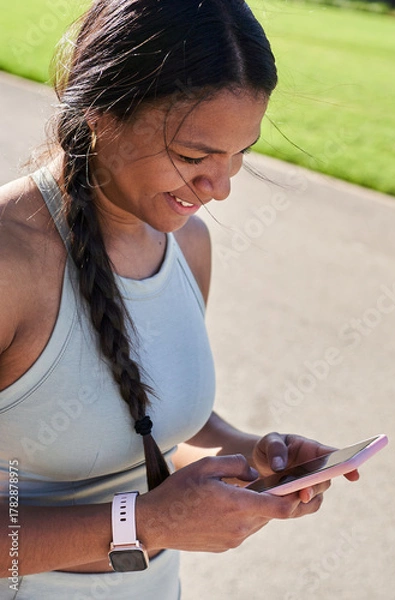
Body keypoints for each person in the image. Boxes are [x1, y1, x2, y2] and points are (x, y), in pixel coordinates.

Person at [0, 0, 359, 598]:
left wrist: (251, 456)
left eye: (239, 155)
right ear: (100, 114)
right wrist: (145, 522)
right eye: (193, 157)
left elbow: (145, 424)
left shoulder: (186, 245)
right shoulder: (9, 263)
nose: (219, 189)